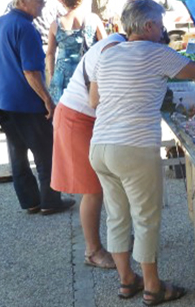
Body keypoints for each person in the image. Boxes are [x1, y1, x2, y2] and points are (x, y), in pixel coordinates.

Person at [88, 0, 195, 305]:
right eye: (159, 24)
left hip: (100, 146)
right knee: (146, 219)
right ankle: (153, 287)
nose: (162, 30)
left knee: (117, 217)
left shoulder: (107, 53)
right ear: (147, 26)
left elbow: (94, 100)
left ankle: (126, 281)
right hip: (133, 147)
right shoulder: (155, 52)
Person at [0, 0, 75, 215]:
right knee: (45, 152)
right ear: (22, 0)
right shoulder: (26, 28)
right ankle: (50, 201)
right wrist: (47, 98)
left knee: (17, 154)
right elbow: (31, 72)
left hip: (3, 99)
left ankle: (30, 201)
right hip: (25, 101)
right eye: (40, 2)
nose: (43, 7)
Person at [50, 28, 127, 269]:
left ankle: (118, 241)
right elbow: (97, 99)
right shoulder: (112, 49)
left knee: (106, 182)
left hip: (86, 117)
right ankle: (93, 251)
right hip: (77, 118)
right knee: (92, 188)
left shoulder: (117, 44)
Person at [46, 0, 107, 102]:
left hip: (62, 76)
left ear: (63, 0)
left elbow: (50, 54)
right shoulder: (93, 19)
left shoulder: (55, 24)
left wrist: (52, 74)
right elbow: (105, 46)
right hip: (88, 74)